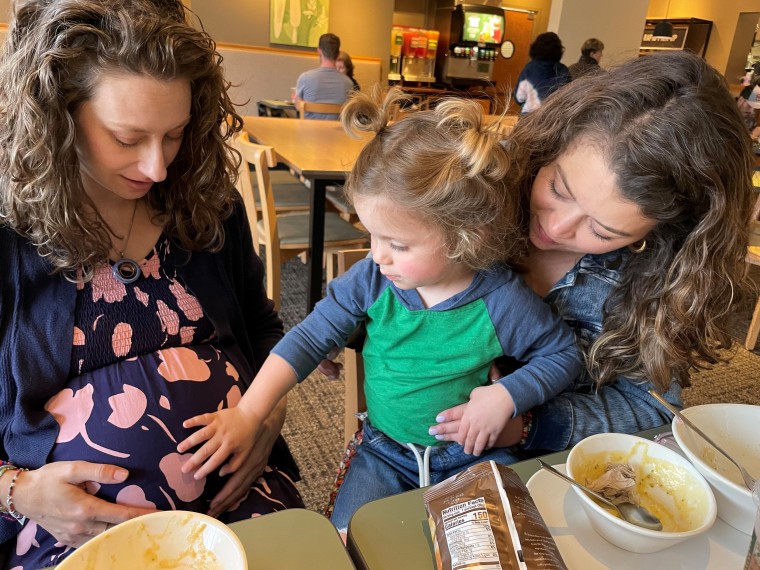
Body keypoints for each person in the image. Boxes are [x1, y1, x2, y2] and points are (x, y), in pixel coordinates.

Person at [177, 88, 582, 533]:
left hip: (475, 455)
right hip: (383, 451)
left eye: (397, 244)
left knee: (500, 548)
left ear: (469, 236)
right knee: (349, 543)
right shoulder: (372, 278)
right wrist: (249, 413)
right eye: (371, 235)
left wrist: (507, 396)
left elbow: (563, 354)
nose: (377, 256)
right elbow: (309, 338)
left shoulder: (502, 302)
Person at [0, 1, 304, 567]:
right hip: (74, 533)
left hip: (243, 496)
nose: (158, 167)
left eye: (175, 134)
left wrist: (271, 409)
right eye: (127, 138)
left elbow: (262, 328)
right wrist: (16, 492)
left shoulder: (207, 203)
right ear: (58, 116)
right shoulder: (10, 235)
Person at [431, 50, 755, 455]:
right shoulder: (483, 192)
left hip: (553, 464)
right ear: (553, 144)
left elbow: (653, 407)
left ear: (659, 233)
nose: (556, 227)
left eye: (602, 230)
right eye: (558, 189)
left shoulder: (657, 278)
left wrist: (528, 425)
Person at [295, 32, 354, 119]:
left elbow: (298, 107)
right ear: (338, 54)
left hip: (308, 132)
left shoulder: (305, 78)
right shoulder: (348, 83)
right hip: (337, 132)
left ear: (319, 51)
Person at [514, 31, 570, 115]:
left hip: (529, 117)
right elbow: (568, 99)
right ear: (558, 51)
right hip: (553, 119)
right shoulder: (563, 71)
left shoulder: (529, 69)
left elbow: (519, 98)